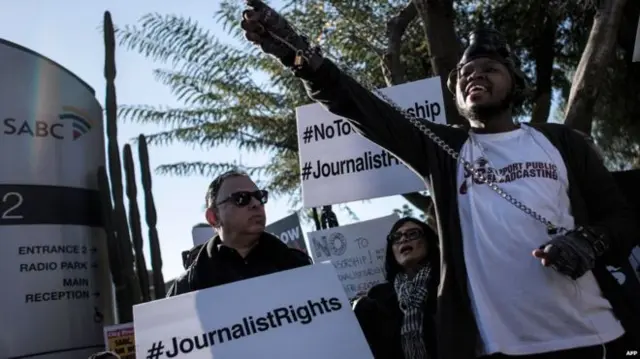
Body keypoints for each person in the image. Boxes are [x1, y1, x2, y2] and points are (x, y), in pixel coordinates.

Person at [240, 2, 640, 358]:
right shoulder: (444, 148)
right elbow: (361, 107)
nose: (473, 77)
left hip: (593, 338)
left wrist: (591, 241)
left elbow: (622, 218)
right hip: (497, 346)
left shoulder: (560, 141)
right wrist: (299, 55)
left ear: (515, 81)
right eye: (465, 73)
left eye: (489, 69)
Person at [167, 170, 311, 296]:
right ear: (214, 217)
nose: (256, 204)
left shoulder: (298, 265)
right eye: (241, 198)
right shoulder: (187, 287)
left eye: (259, 196)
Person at [353, 217, 440, 359]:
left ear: (428, 241)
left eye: (413, 234)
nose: (404, 239)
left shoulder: (447, 284)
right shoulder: (378, 296)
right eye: (396, 237)